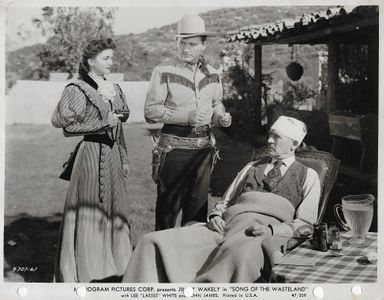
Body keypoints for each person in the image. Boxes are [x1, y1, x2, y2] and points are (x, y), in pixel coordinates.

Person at [123, 116, 321, 283]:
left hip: (262, 235)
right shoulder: (253, 166)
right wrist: (216, 215)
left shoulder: (308, 175)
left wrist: (272, 230)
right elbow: (224, 202)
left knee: (238, 256)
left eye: (276, 137)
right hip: (226, 227)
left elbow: (306, 224)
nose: (269, 140)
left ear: (294, 144)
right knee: (151, 241)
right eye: (270, 134)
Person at [51, 38, 132, 282]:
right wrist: (101, 123)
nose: (111, 62)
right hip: (90, 156)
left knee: (115, 210)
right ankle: (87, 270)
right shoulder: (77, 89)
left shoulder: (113, 89)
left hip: (113, 157)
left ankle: (117, 265)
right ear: (90, 61)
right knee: (89, 210)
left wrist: (124, 158)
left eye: (111, 58)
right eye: (106, 58)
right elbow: (65, 127)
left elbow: (118, 127)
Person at [145, 14, 232, 230]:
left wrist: (221, 116)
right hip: (173, 150)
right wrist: (186, 117)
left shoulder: (213, 74)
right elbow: (150, 111)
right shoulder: (163, 71)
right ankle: (161, 261)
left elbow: (217, 102)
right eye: (182, 42)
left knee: (197, 214)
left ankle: (192, 261)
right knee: (167, 214)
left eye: (192, 44)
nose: (185, 48)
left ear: (203, 45)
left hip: (203, 151)